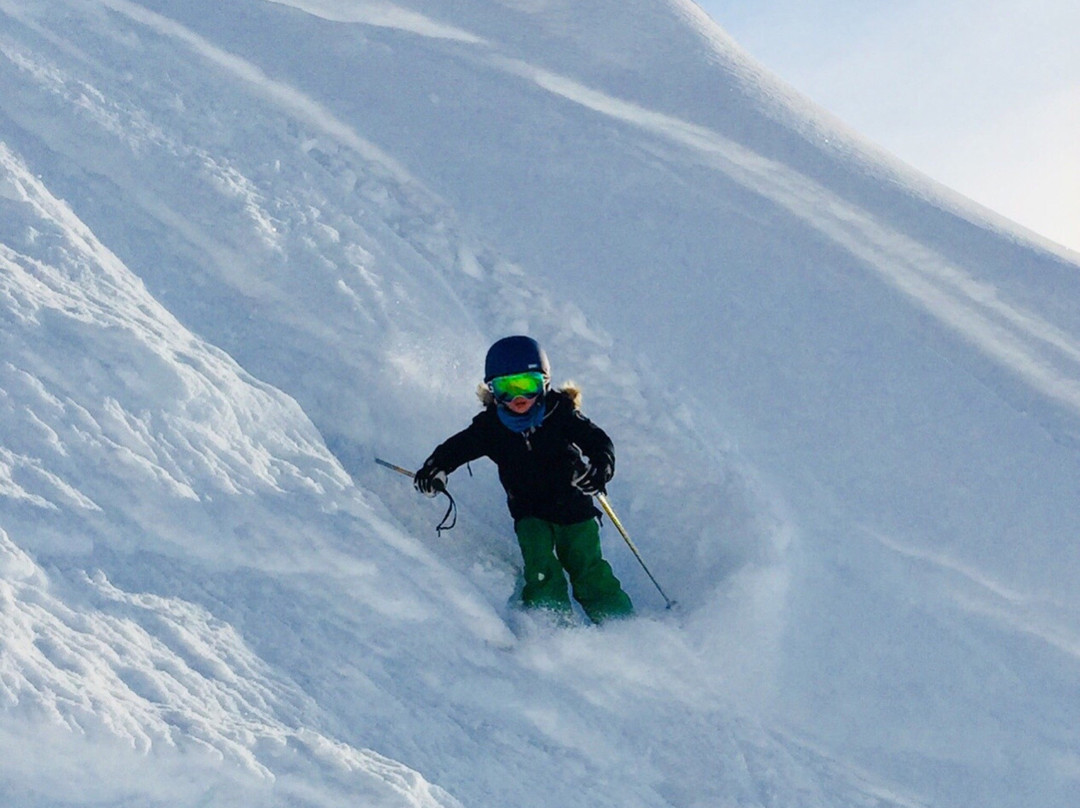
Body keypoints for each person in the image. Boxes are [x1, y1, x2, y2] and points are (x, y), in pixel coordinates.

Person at [414, 336, 634, 624]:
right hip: (529, 512)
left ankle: (619, 623)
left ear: (543, 382)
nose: (518, 398)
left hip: (574, 506)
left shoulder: (560, 413)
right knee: (540, 568)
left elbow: (598, 442)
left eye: (527, 385)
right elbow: (456, 449)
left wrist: (599, 469)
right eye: (506, 388)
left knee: (587, 567)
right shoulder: (491, 427)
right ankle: (552, 625)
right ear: (492, 390)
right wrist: (435, 468)